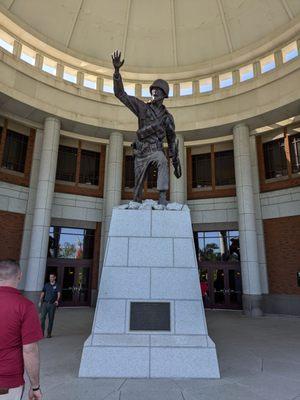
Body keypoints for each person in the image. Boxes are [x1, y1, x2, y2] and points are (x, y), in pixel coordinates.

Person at [112, 49, 182, 205]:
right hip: (142, 151)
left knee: (162, 161)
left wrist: (176, 164)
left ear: (164, 95)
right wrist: (117, 72)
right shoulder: (142, 108)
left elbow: (172, 142)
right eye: (154, 90)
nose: (155, 92)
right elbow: (120, 94)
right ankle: (136, 201)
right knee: (136, 193)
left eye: (159, 91)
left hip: (156, 150)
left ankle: (162, 197)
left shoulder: (167, 118)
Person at [0, 259, 43, 400]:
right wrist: (35, 386)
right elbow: (29, 350)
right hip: (6, 382)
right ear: (20, 276)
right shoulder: (25, 306)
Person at [39, 274, 61, 338]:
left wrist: (57, 300)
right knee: (42, 318)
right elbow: (43, 293)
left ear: (55, 277)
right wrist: (40, 301)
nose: (50, 278)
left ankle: (49, 334)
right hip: (45, 304)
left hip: (52, 305)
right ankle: (41, 333)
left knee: (51, 319)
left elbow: (58, 293)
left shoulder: (57, 285)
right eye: (50, 277)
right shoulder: (46, 285)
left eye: (52, 277)